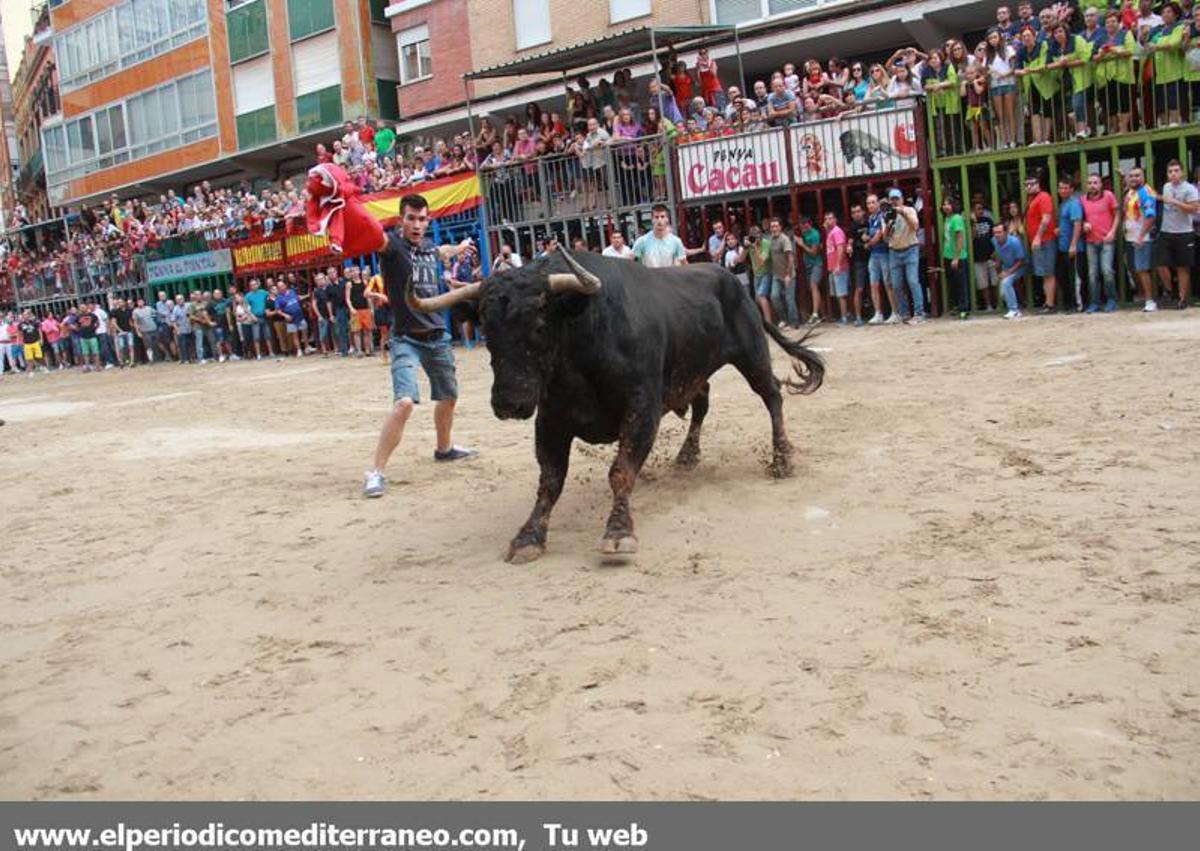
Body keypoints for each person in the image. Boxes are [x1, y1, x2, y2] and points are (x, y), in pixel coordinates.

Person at [363, 195, 478, 498]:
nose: (416, 224)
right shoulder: (391, 247)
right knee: (403, 403)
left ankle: (444, 449)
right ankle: (376, 472)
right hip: (406, 338)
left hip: (437, 336)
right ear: (401, 219)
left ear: (428, 220)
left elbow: (441, 250)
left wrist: (459, 248)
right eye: (411, 218)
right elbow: (372, 234)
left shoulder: (428, 247)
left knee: (449, 396)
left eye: (422, 219)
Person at [1156, 159, 1199, 309]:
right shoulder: (1166, 186)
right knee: (1161, 264)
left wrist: (1176, 202)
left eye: (1176, 171)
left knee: (1182, 267)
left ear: (1182, 172)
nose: (1173, 174)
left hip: (1184, 232)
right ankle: (1171, 291)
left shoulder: (1189, 189)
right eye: (1170, 171)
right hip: (1166, 231)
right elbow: (1164, 201)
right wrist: (1159, 198)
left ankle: (1182, 299)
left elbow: (1194, 209)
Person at [1081, 173, 1119, 313]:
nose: (1092, 185)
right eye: (1090, 183)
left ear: (1101, 184)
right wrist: (1085, 224)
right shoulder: (1083, 200)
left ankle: (1111, 300)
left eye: (1095, 182)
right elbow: (1082, 218)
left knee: (1107, 271)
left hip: (1106, 240)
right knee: (1092, 273)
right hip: (1090, 241)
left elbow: (1117, 215)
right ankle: (1095, 302)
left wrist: (1113, 232)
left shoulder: (1109, 195)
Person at [885, 188, 924, 322]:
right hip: (894, 251)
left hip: (910, 248)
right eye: (893, 199)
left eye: (897, 199)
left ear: (901, 199)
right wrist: (889, 223)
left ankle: (919, 313)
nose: (895, 202)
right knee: (896, 285)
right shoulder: (887, 214)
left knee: (913, 281)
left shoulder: (910, 210)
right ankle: (904, 313)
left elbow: (916, 226)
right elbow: (886, 237)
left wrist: (902, 213)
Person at [1122, 166, 1157, 311]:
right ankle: (1144, 296)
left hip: (1142, 238)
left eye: (1137, 175)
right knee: (1135, 268)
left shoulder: (1146, 192)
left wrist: (1141, 236)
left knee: (1142, 269)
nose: (1134, 178)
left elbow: (1151, 216)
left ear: (1143, 177)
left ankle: (1150, 301)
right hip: (1131, 237)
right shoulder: (1131, 192)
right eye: (1131, 176)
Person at [1024, 174, 1058, 313]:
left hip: (1046, 240)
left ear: (1038, 184)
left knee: (1048, 273)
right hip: (1039, 241)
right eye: (1026, 184)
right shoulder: (1032, 199)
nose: (1029, 187)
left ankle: (1050, 305)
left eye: (1032, 184)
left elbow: (1046, 218)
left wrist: (1038, 237)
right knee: (1044, 274)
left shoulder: (1043, 197)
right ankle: (1047, 303)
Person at [1055, 178, 1085, 311]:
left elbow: (1077, 224)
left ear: (1071, 189)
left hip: (1074, 248)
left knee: (1075, 278)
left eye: (1066, 188)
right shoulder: (1063, 204)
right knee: (1063, 276)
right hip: (1062, 247)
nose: (1063, 190)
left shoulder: (1074, 203)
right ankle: (1069, 304)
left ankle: (1077, 305)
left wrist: (1073, 245)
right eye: (1060, 188)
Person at [767, 217, 799, 328]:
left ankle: (794, 322)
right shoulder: (770, 240)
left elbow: (790, 258)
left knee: (789, 299)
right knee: (774, 297)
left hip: (788, 275)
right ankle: (784, 319)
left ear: (780, 227)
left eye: (776, 226)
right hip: (776, 275)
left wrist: (787, 275)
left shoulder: (784, 239)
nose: (774, 228)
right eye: (772, 226)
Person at [992, 222, 1027, 319]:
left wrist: (1008, 273)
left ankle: (1014, 310)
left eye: (999, 232)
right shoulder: (994, 240)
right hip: (1006, 267)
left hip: (1019, 267)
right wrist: (998, 266)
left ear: (1006, 232)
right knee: (1003, 293)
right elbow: (998, 254)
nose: (997, 235)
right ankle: (1015, 307)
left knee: (1006, 283)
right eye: (995, 232)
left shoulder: (1015, 242)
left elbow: (1021, 261)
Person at [942, 197, 969, 318]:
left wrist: (956, 257)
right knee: (953, 283)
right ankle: (957, 307)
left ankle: (964, 309)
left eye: (949, 204)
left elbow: (960, 238)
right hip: (948, 255)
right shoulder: (947, 218)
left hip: (957, 256)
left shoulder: (956, 218)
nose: (946, 206)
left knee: (961, 284)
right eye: (944, 204)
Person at [822, 212, 850, 325]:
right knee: (838, 294)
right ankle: (844, 316)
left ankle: (844, 317)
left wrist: (838, 264)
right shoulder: (831, 233)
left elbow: (840, 248)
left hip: (840, 267)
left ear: (835, 219)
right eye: (826, 219)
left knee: (841, 294)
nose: (828, 221)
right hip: (833, 268)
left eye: (830, 218)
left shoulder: (837, 231)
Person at [846, 203, 871, 327]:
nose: (856, 214)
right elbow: (849, 241)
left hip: (872, 258)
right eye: (854, 212)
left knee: (875, 286)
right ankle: (858, 317)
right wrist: (849, 247)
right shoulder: (852, 227)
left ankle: (879, 313)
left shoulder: (869, 222)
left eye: (858, 211)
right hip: (859, 261)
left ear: (863, 212)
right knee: (859, 288)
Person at [970, 201, 997, 311]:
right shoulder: (969, 223)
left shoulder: (989, 221)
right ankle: (988, 305)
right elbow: (971, 238)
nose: (980, 211)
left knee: (995, 282)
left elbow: (994, 237)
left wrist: (996, 251)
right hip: (977, 258)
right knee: (983, 284)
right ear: (973, 211)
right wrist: (974, 223)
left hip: (991, 256)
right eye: (977, 209)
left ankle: (997, 304)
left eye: (981, 208)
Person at [745, 225, 773, 323]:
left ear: (760, 235)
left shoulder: (766, 243)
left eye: (757, 235)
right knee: (757, 299)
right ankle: (766, 319)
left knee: (761, 296)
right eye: (753, 236)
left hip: (766, 273)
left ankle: (769, 323)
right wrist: (745, 247)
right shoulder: (750, 244)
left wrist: (755, 247)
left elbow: (762, 261)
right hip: (756, 274)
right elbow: (740, 259)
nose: (756, 238)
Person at [346, 265, 374, 357]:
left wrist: (371, 308)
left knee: (367, 330)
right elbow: (347, 298)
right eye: (352, 271)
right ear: (350, 273)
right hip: (355, 310)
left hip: (365, 309)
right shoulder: (349, 284)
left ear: (359, 271)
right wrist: (351, 308)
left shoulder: (365, 282)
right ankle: (359, 351)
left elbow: (368, 297)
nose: (354, 273)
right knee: (356, 331)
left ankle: (368, 350)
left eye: (356, 270)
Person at [132, 298, 159, 363]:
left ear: (144, 302)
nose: (140, 303)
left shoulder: (149, 308)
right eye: (138, 302)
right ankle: (151, 359)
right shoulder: (135, 311)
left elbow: (156, 313)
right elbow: (135, 322)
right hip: (144, 330)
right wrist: (138, 332)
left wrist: (154, 319)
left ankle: (157, 357)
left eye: (141, 301)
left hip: (153, 328)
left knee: (156, 343)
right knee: (148, 345)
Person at [17, 311, 44, 375]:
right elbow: (19, 334)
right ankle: (31, 371)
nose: (26, 316)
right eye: (24, 315)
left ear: (29, 315)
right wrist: (19, 341)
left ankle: (43, 367)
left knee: (39, 357)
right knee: (29, 358)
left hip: (35, 341)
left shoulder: (34, 322)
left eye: (27, 314)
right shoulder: (20, 324)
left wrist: (41, 339)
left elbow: (39, 331)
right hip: (27, 343)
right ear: (23, 316)